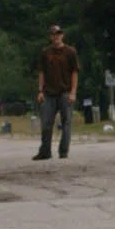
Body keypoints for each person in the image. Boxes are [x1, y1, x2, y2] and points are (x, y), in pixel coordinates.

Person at [34, 23, 79, 159]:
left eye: (58, 34)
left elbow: (75, 72)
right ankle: (45, 151)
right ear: (50, 37)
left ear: (62, 35)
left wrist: (73, 92)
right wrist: (40, 91)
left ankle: (63, 151)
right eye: (53, 34)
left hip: (65, 91)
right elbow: (41, 72)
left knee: (66, 122)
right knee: (46, 123)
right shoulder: (45, 52)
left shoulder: (70, 52)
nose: (56, 37)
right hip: (49, 93)